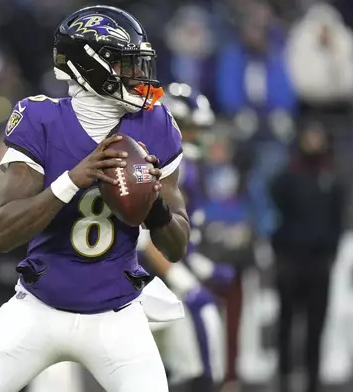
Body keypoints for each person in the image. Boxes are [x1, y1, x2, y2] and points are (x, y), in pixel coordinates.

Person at [0, 6, 189, 392]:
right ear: (89, 65)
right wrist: (71, 180)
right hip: (38, 306)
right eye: (125, 64)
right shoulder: (40, 119)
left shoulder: (156, 124)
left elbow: (177, 245)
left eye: (138, 64)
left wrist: (155, 204)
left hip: (117, 313)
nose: (137, 75)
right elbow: (2, 232)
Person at [138, 83, 227, 392]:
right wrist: (182, 277)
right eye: (191, 129)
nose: (199, 138)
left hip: (169, 265)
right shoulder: (154, 166)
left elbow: (187, 239)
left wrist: (200, 268)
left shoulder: (191, 169)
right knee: (199, 317)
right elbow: (146, 239)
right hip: (142, 273)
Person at [269, 122, 345, 392]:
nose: (313, 141)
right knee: (286, 324)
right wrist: (279, 249)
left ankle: (313, 382)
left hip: (319, 262)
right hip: (290, 260)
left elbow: (338, 220)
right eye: (309, 136)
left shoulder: (331, 177)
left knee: (316, 327)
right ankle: (284, 379)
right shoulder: (287, 176)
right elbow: (272, 211)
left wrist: (331, 250)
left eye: (318, 136)